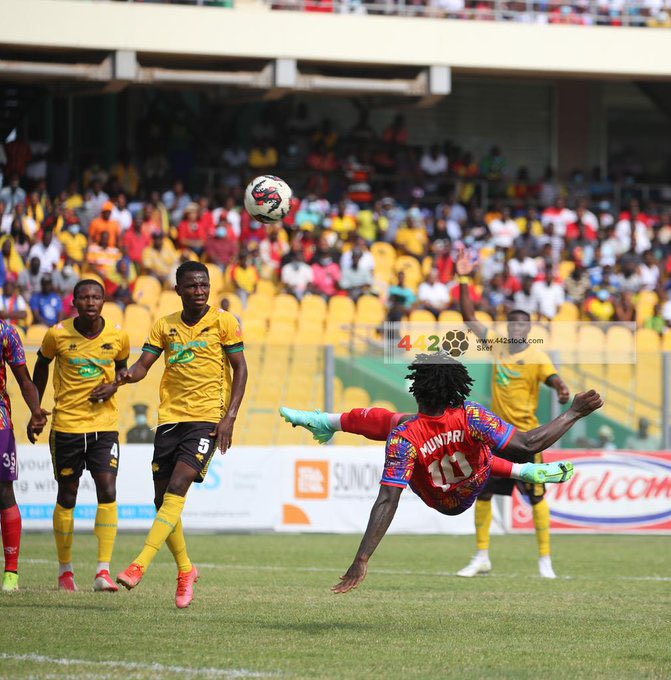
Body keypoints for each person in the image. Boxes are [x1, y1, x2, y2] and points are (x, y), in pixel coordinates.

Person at [279, 355, 602, 594]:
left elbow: (387, 499)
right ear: (455, 389)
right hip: (475, 479)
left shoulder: (405, 437)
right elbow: (529, 442)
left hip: (437, 495)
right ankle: (523, 471)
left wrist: (362, 558)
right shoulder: (473, 415)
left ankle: (325, 422)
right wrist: (573, 412)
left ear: (417, 389)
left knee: (396, 423)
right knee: (480, 446)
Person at [114, 262, 247, 608]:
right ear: (178, 290)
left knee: (177, 487)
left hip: (207, 418)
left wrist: (229, 418)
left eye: (204, 285)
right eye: (191, 286)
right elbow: (143, 366)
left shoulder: (224, 322)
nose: (199, 291)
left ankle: (138, 564)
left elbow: (241, 369)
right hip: (171, 419)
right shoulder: (164, 326)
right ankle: (186, 570)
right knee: (163, 503)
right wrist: (122, 377)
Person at [457, 249, 571, 579]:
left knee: (536, 498)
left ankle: (545, 561)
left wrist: (562, 388)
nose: (518, 325)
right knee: (484, 491)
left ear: (530, 326)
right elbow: (468, 316)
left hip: (527, 438)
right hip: (496, 435)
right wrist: (464, 277)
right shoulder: (497, 343)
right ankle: (481, 557)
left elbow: (554, 379)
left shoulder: (537, 356)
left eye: (523, 321)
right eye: (513, 320)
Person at [31, 280, 130, 592]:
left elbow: (123, 370)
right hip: (67, 426)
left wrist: (114, 385)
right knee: (67, 496)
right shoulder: (57, 334)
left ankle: (103, 571)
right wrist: (35, 408)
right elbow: (41, 366)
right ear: (74, 302)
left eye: (96, 297)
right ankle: (65, 571)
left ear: (104, 301)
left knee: (108, 489)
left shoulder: (118, 334)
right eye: (85, 297)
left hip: (104, 425)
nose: (91, 302)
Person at [0, 321, 49, 592]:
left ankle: (11, 572)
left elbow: (23, 379)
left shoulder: (6, 333)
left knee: (4, 492)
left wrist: (36, 411)